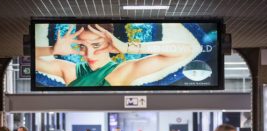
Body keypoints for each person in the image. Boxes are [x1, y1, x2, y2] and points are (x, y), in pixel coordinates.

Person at [35, 23, 201, 86]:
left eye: (96, 45)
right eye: (82, 46)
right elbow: (30, 59)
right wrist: (52, 50)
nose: (89, 53)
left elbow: (187, 51)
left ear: (110, 42)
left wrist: (127, 47)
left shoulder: (124, 70)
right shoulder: (68, 69)